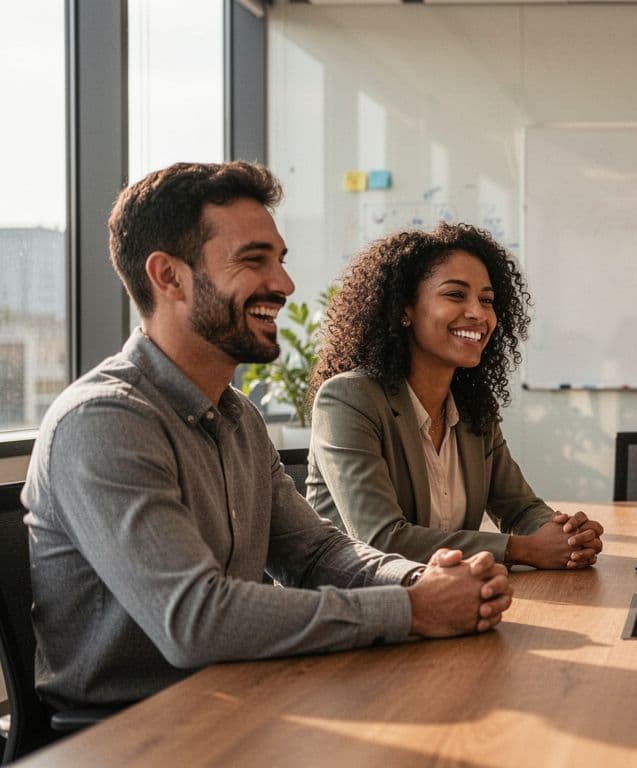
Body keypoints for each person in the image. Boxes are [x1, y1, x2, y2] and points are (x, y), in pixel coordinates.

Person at [21, 162, 513, 712]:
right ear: (169, 277)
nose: (284, 284)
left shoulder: (237, 418)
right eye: (254, 260)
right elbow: (196, 620)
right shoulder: (105, 421)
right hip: (132, 735)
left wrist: (422, 579)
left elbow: (317, 553)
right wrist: (414, 609)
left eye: (279, 260)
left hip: (240, 701)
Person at [307, 223, 604, 569]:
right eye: (455, 295)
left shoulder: (473, 409)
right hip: (353, 608)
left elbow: (519, 508)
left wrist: (567, 536)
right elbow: (382, 538)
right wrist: (520, 549)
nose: (478, 313)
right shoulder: (348, 399)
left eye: (487, 300)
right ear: (405, 308)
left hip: (445, 602)